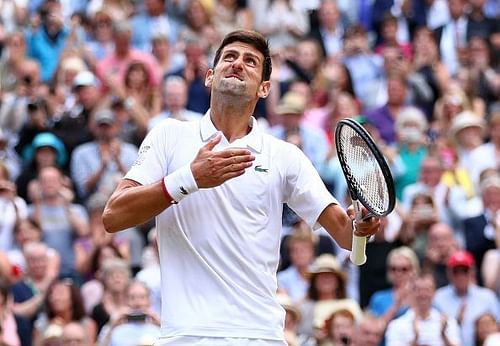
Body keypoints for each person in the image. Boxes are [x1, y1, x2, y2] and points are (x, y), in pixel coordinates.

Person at [102, 30, 380, 346]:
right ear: (209, 76)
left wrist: (363, 227)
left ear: (264, 88)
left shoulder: (284, 155)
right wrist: (189, 179)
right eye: (229, 57)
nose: (238, 64)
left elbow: (345, 234)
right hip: (185, 337)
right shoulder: (168, 135)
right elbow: (113, 216)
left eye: (250, 61)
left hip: (260, 336)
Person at [434, 250, 500, 346]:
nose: (460, 276)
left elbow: (498, 329)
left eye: (464, 270)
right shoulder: (438, 297)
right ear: (449, 272)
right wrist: (456, 322)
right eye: (456, 271)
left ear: (472, 271)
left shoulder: (487, 297)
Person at [385, 271, 461, 346]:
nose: (423, 294)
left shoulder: (448, 323)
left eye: (427, 290)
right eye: (418, 290)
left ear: (434, 292)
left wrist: (443, 336)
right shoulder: (396, 325)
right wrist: (415, 339)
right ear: (411, 292)